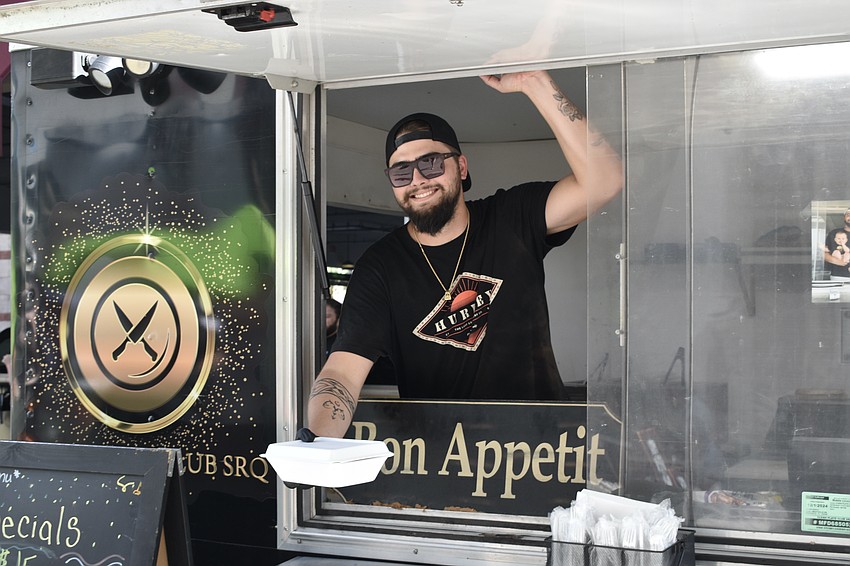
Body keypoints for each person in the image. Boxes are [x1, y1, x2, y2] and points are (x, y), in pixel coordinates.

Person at [307, 70, 622, 439]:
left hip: (539, 453)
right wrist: (318, 445)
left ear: (461, 166)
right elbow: (342, 372)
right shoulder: (379, 267)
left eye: (431, 163)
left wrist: (536, 82)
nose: (418, 180)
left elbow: (604, 181)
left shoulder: (511, 217)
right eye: (401, 171)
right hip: (441, 461)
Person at [823, 208, 850, 278]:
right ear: (844, 217)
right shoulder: (834, 233)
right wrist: (839, 262)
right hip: (839, 277)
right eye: (848, 214)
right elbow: (823, 253)